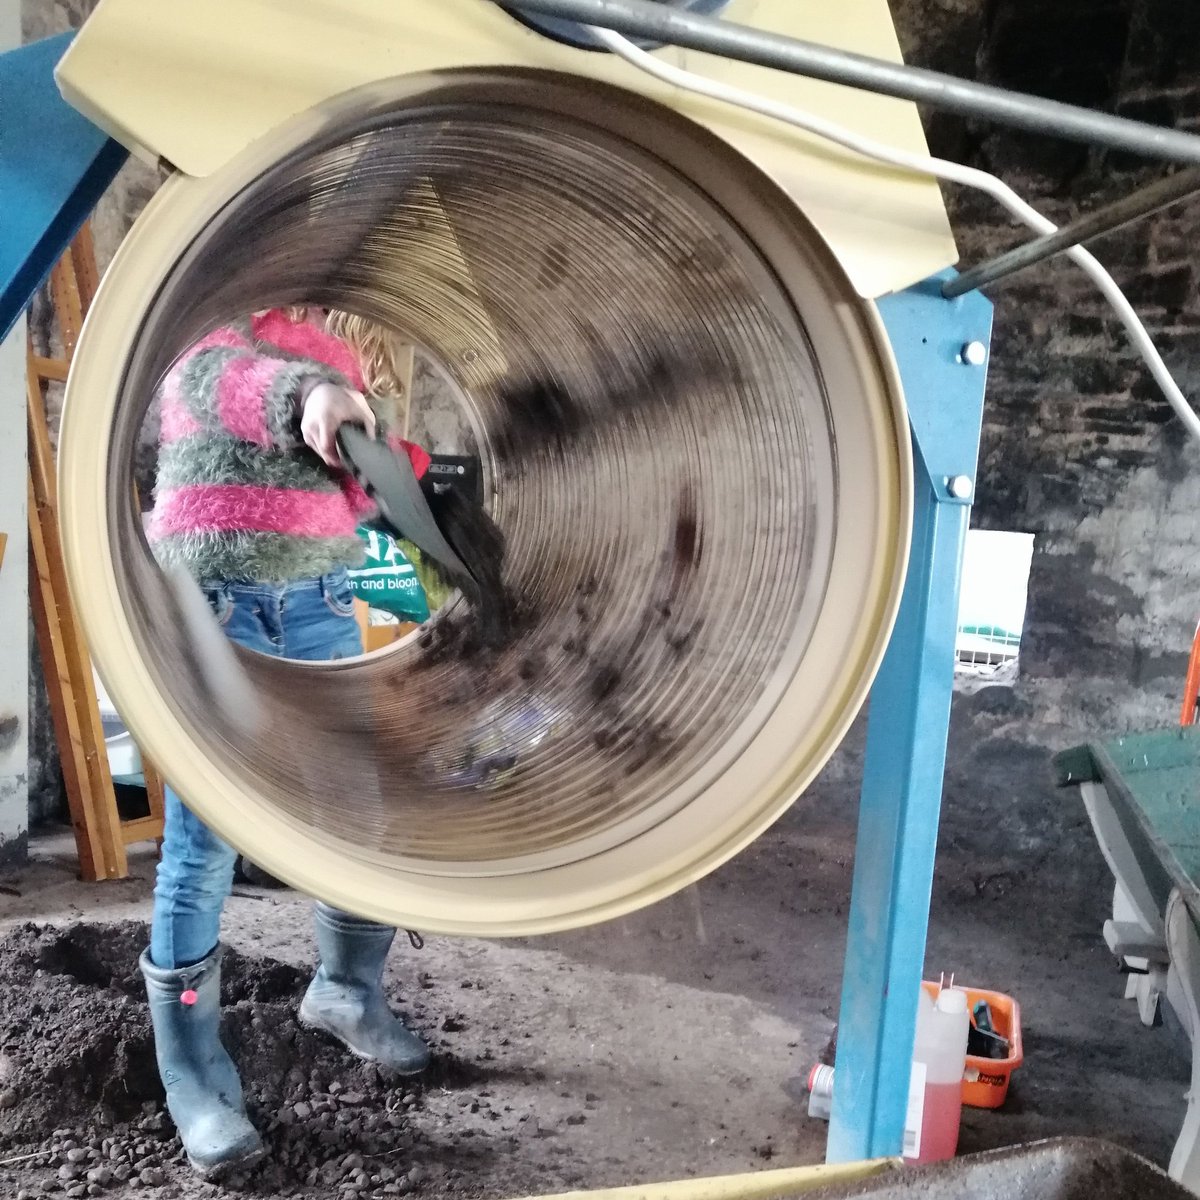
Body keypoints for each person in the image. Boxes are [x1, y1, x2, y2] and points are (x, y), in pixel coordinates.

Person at [141, 307, 432, 1179]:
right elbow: (222, 385)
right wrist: (309, 395)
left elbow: (346, 490)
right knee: (203, 847)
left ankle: (346, 993)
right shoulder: (206, 327)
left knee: (358, 815)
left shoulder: (333, 349)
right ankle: (193, 1075)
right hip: (217, 609)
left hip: (319, 602)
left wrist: (383, 466)